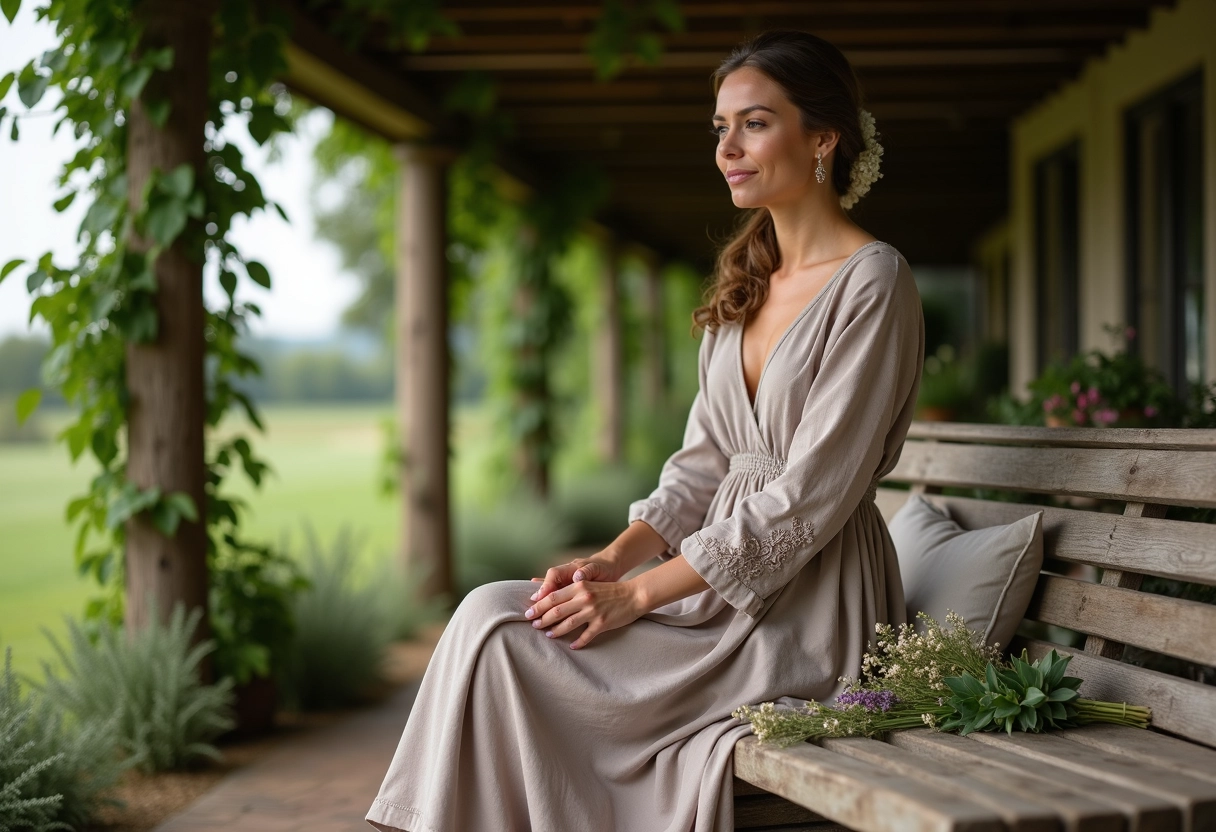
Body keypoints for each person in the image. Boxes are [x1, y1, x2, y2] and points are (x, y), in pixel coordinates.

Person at [366, 29, 925, 832]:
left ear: (824, 140)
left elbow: (810, 499)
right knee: (491, 614)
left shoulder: (875, 281)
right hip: (711, 585)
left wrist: (635, 596)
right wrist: (608, 561)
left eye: (755, 123)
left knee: (507, 646)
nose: (728, 147)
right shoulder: (750, 278)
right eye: (720, 128)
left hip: (808, 605)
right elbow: (700, 466)